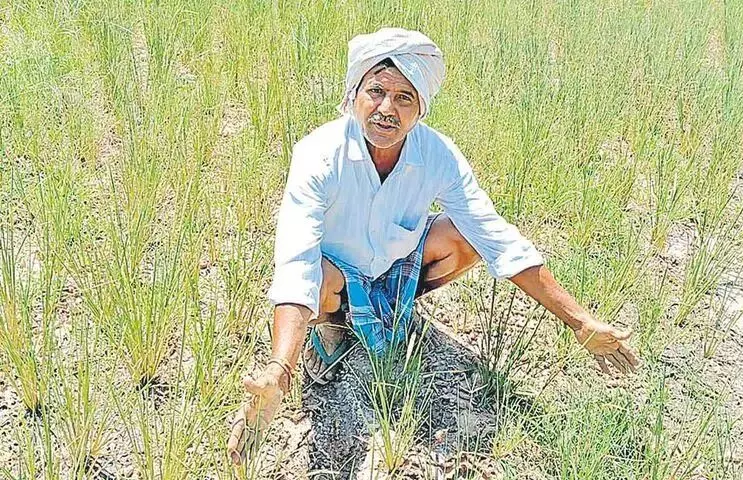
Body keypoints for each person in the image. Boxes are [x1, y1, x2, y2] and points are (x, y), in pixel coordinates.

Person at [227, 27, 639, 465]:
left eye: (405, 97)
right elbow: (296, 262)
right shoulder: (317, 154)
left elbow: (497, 238)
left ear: (421, 108)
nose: (387, 109)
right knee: (320, 275)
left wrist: (579, 322)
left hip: (395, 265)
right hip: (336, 279)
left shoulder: (437, 155)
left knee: (464, 236)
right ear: (353, 96)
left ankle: (388, 309)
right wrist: (280, 369)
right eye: (377, 91)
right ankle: (334, 328)